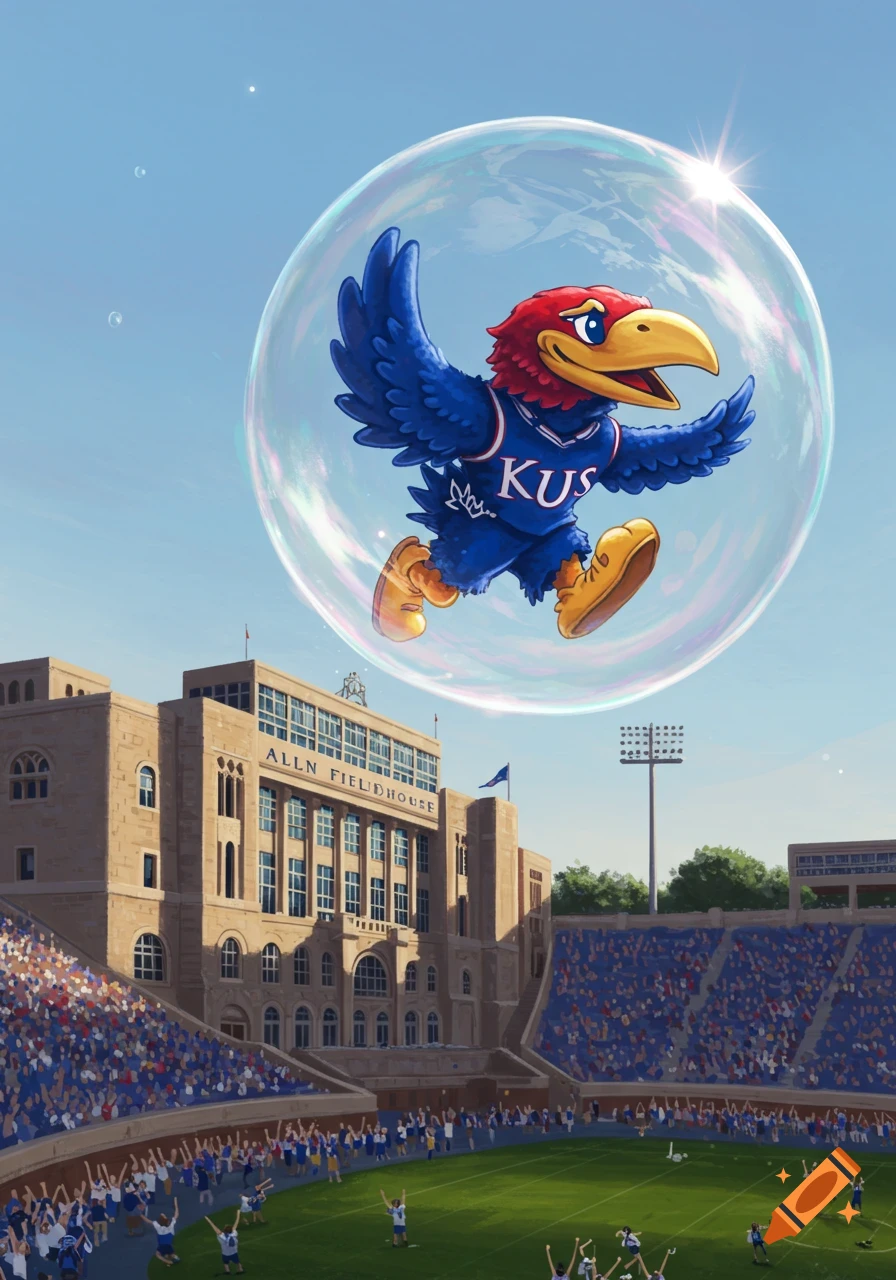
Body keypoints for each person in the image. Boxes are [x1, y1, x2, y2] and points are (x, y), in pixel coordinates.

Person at [142, 1201, 180, 1268]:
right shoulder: (170, 1225)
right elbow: (176, 1215)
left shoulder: (157, 1225)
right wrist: (176, 1204)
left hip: (162, 1245)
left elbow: (147, 1221)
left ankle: (169, 1262)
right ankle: (174, 1257)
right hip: (168, 1244)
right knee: (169, 1253)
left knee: (158, 1255)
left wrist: (140, 1215)